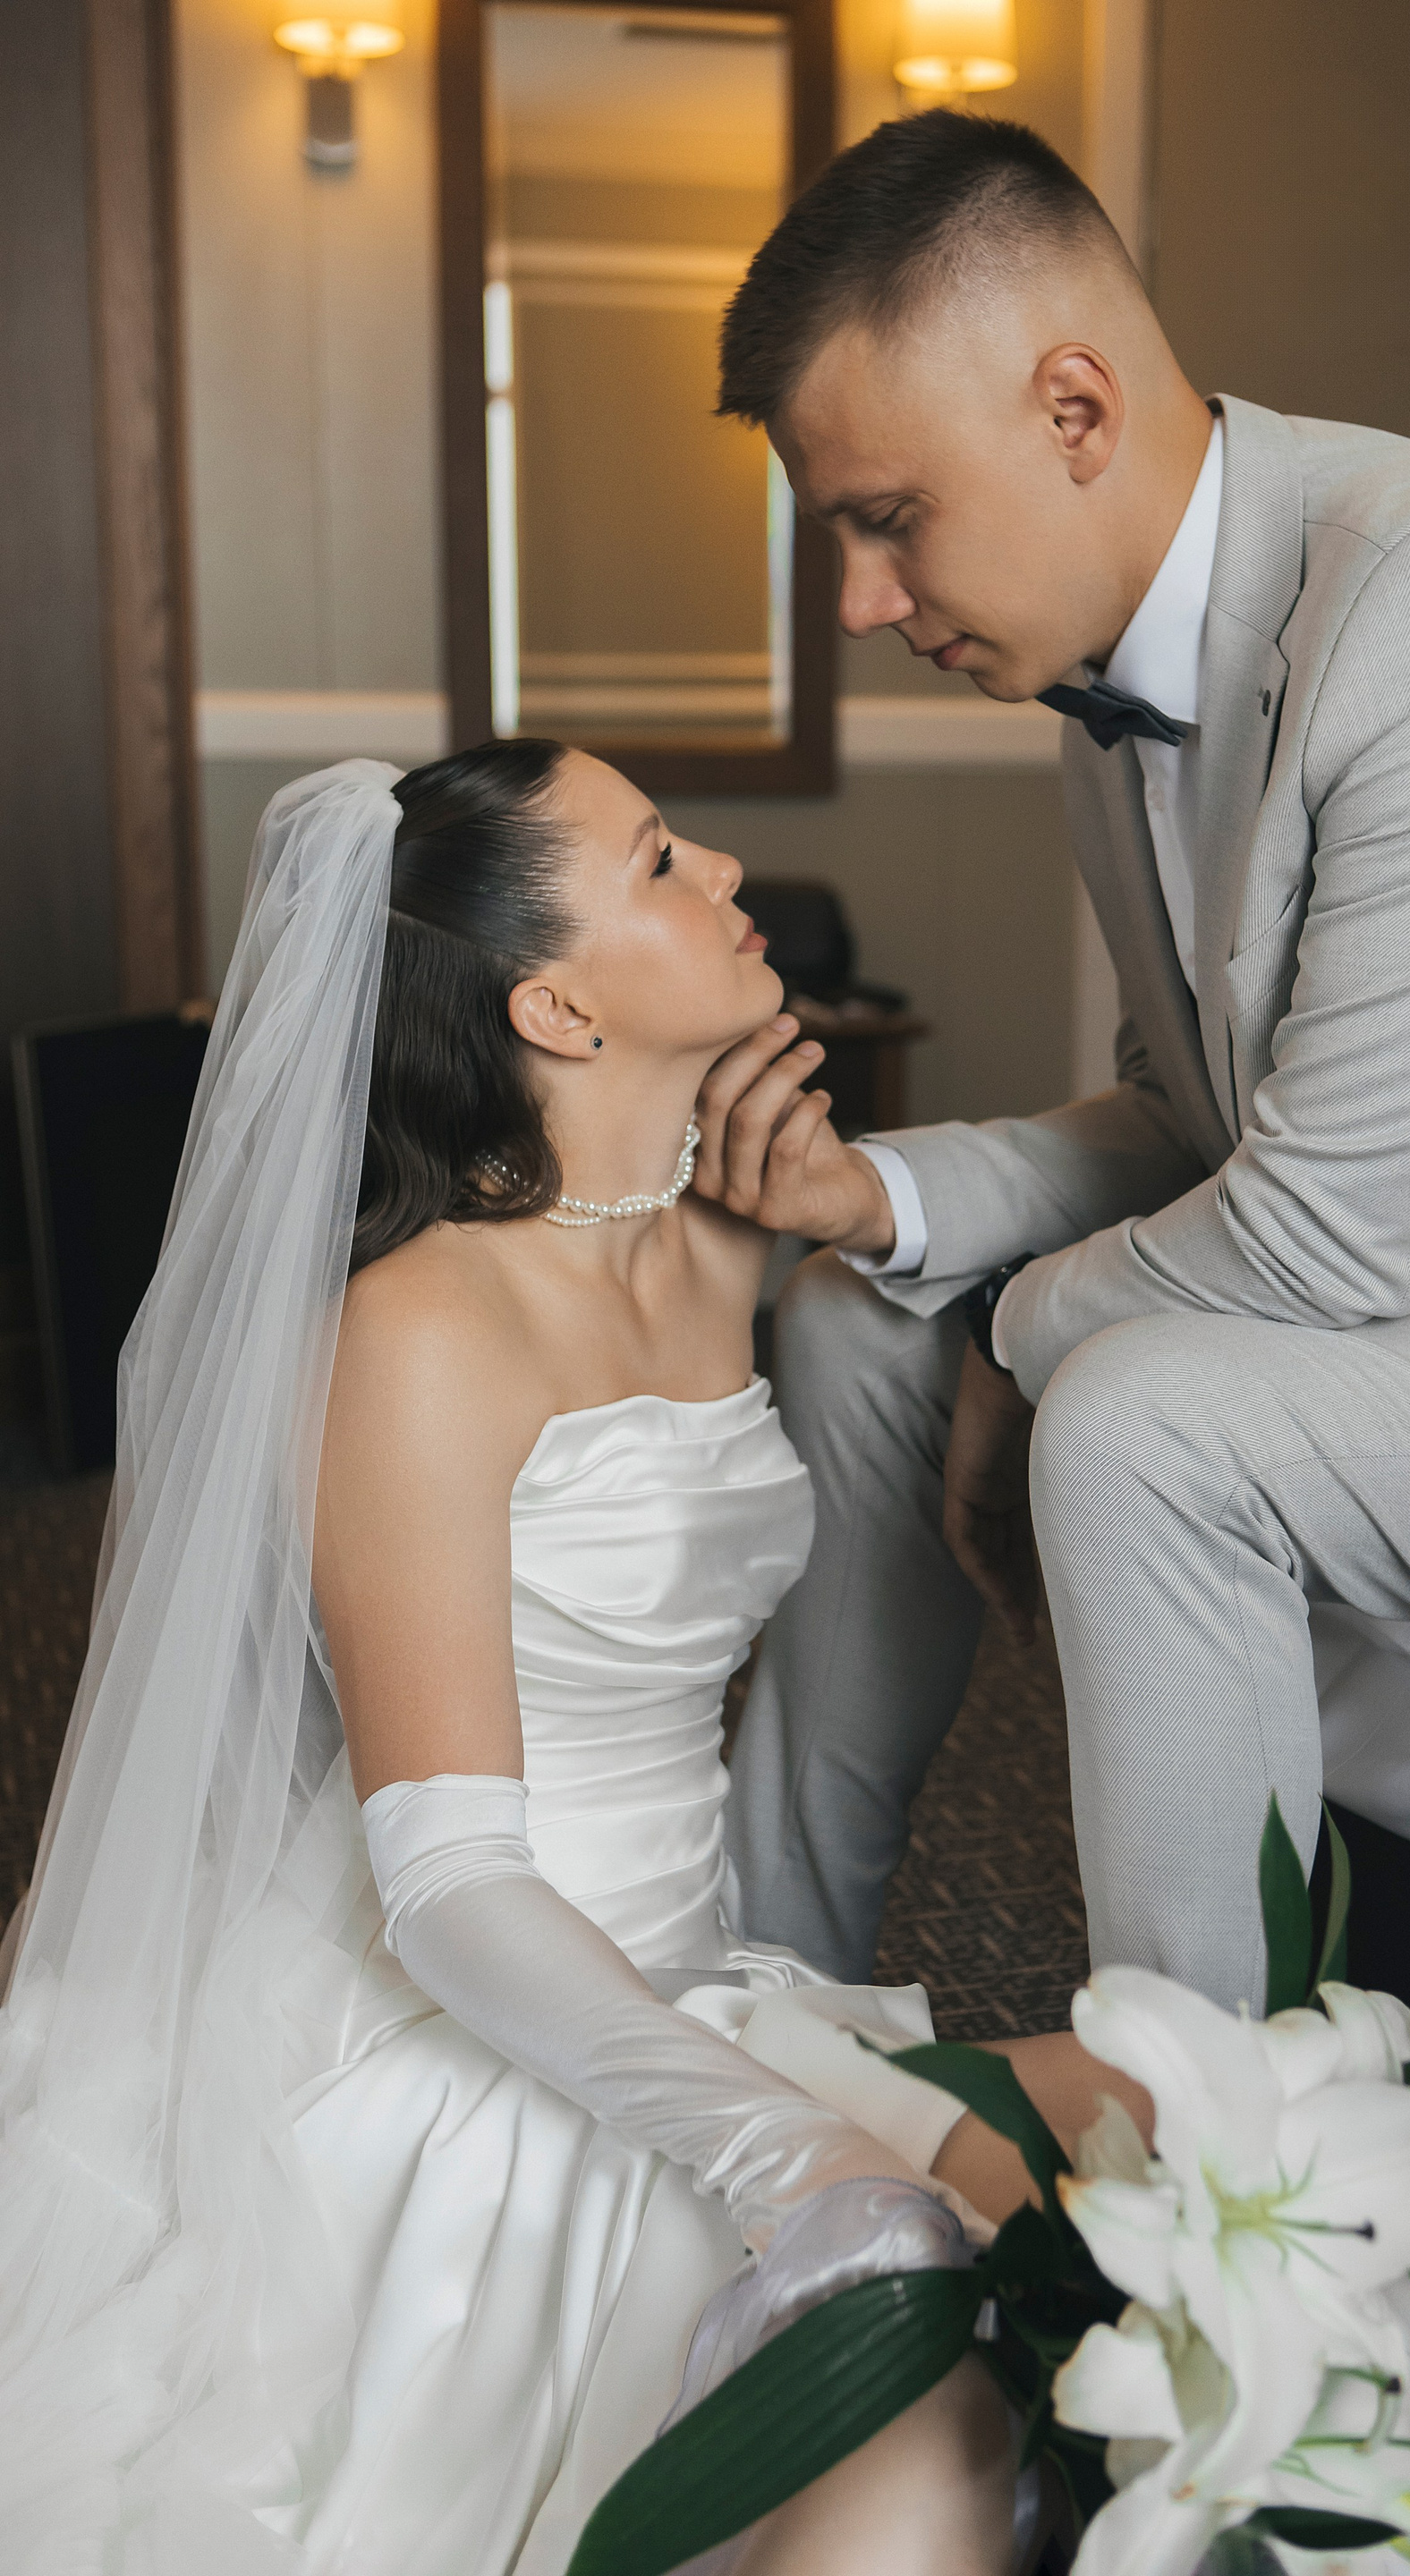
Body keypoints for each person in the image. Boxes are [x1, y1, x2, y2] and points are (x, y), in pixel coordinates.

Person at [0, 746, 1151, 2575]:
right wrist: (782, 2148)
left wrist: (856, 1206)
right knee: (914, 2458)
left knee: (1180, 2114)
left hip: (699, 1970)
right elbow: (453, 1888)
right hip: (466, 2016)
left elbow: (1103, 1172)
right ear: (556, 1005)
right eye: (663, 860)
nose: (728, 872)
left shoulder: (721, 1237)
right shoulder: (414, 1332)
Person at [691, 110, 1410, 2010]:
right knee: (847, 1318)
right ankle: (768, 1998)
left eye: (887, 519)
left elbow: (1324, 1235)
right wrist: (881, 1200)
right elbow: (1192, 1120)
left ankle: (1206, 2128)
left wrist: (1016, 1336)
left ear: (1075, 408)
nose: (858, 601)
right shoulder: (1108, 692)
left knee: (1140, 1416)